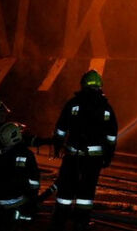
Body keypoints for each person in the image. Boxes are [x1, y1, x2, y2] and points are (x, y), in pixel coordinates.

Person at [51, 70, 118, 231]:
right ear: (100, 87)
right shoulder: (106, 108)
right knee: (86, 194)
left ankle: (59, 220)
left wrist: (57, 145)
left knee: (65, 190)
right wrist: (108, 155)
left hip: (72, 156)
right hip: (93, 160)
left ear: (82, 85)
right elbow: (111, 136)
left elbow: (60, 128)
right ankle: (81, 222)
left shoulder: (73, 104)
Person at [0, 121, 42, 221]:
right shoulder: (26, 154)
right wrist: (33, 199)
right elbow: (34, 181)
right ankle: (20, 216)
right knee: (29, 211)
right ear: (16, 136)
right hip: (12, 199)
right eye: (20, 132)